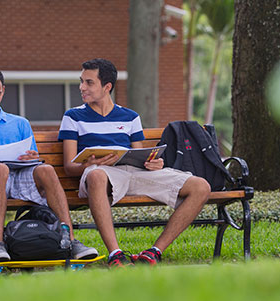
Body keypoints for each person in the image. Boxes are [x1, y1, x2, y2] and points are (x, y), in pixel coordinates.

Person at [59, 58, 211, 267]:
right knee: (96, 174)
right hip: (100, 173)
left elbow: (139, 155)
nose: (82, 87)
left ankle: (154, 252)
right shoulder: (73, 117)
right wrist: (90, 164)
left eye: (89, 82)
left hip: (135, 172)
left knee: (201, 186)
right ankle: (116, 254)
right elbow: (69, 166)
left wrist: (153, 163)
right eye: (81, 81)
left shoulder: (130, 117)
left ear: (107, 87)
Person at [0, 65, 98, 263]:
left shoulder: (20, 123)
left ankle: (70, 240)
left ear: (4, 91)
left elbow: (33, 163)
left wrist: (31, 158)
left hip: (17, 178)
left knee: (46, 169)